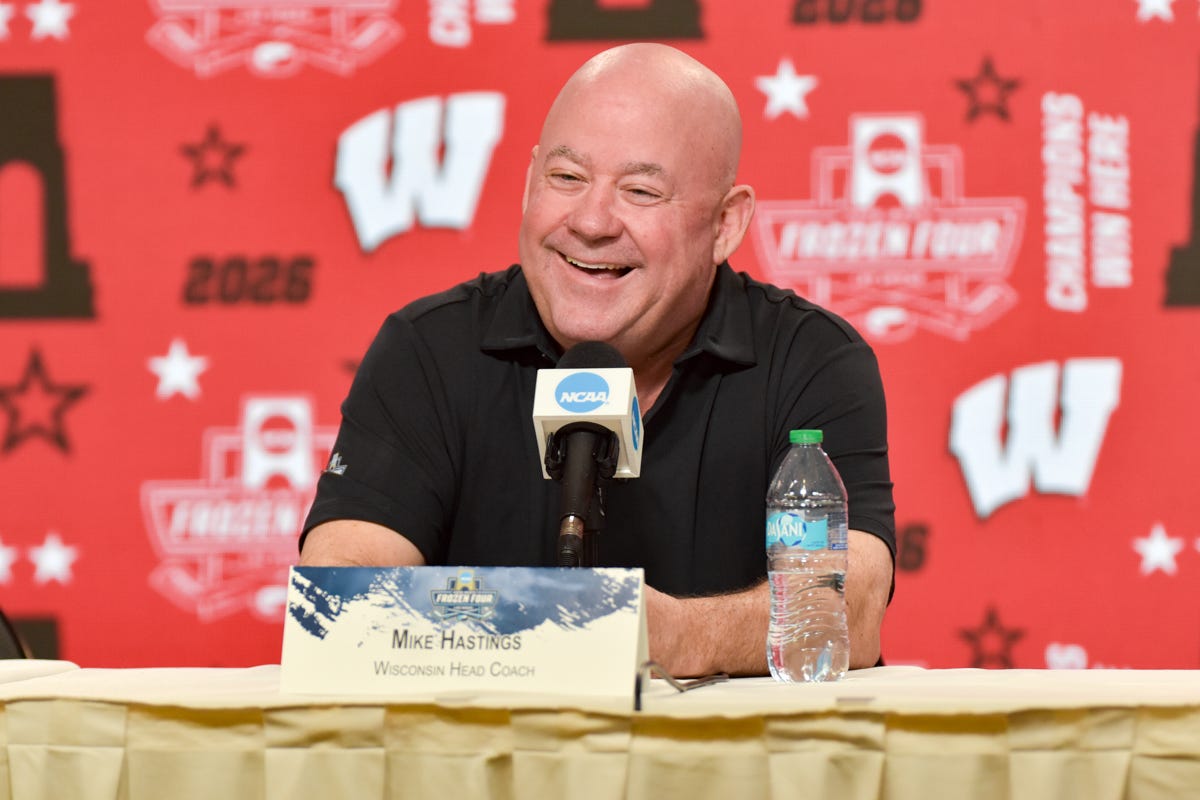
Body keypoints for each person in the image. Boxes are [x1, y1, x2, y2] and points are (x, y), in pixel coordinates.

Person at [299, 43, 895, 677]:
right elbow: (339, 600)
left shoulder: (813, 359)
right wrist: (565, 629)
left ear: (725, 224)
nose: (590, 222)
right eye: (567, 178)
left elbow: (848, 612)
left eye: (640, 191)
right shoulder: (427, 349)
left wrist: (674, 636)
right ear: (529, 184)